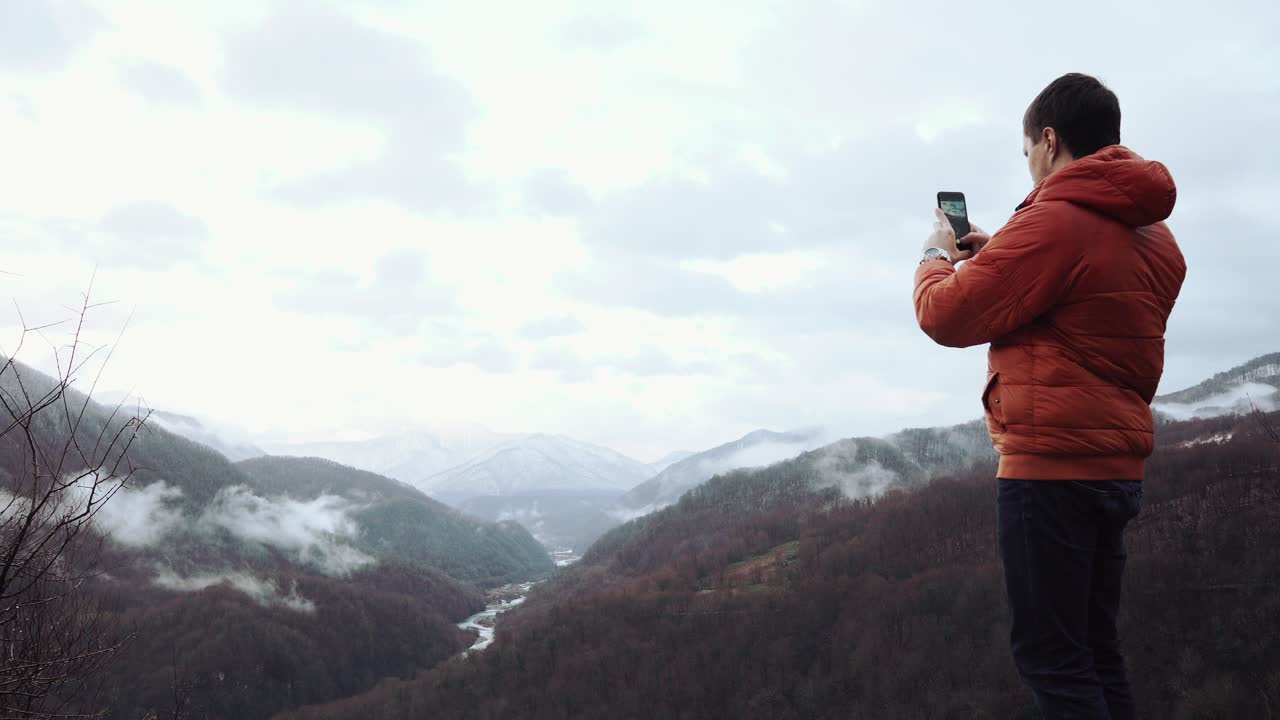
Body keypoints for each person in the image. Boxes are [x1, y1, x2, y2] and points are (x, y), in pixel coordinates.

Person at [912, 73, 1187, 719]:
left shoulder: (1057, 222)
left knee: (1052, 660)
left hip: (1050, 469)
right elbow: (1081, 306)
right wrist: (1000, 252)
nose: (1030, 162)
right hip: (1114, 466)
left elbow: (945, 315)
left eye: (1028, 147)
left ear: (1050, 139)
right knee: (1095, 649)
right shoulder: (1156, 238)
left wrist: (935, 254)